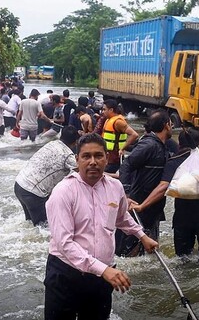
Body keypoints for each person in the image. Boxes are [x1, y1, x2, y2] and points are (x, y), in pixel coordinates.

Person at [44, 133, 159, 320]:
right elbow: (65, 243)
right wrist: (104, 270)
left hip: (102, 276)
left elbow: (121, 218)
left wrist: (142, 236)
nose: (93, 162)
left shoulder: (115, 187)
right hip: (67, 275)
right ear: (77, 160)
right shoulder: (63, 192)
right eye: (86, 156)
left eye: (98, 156)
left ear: (106, 158)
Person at [130, 128, 199, 259]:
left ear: (179, 143)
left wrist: (142, 206)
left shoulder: (175, 161)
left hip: (184, 220)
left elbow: (163, 187)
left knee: (182, 260)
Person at [116, 109, 172, 257]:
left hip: (152, 207)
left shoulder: (161, 145)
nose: (172, 127)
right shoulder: (149, 145)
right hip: (138, 205)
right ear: (167, 125)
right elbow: (126, 165)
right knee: (127, 251)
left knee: (148, 250)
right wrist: (126, 194)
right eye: (171, 124)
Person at [14, 126, 79, 226]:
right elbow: (83, 171)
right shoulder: (68, 155)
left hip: (19, 185)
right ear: (75, 142)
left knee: (30, 224)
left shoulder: (52, 144)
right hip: (33, 192)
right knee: (44, 228)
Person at [101, 99, 139, 173]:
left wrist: (122, 148)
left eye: (104, 109)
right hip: (108, 157)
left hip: (114, 158)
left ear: (111, 110)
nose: (102, 112)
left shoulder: (118, 122)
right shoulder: (108, 120)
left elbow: (134, 135)